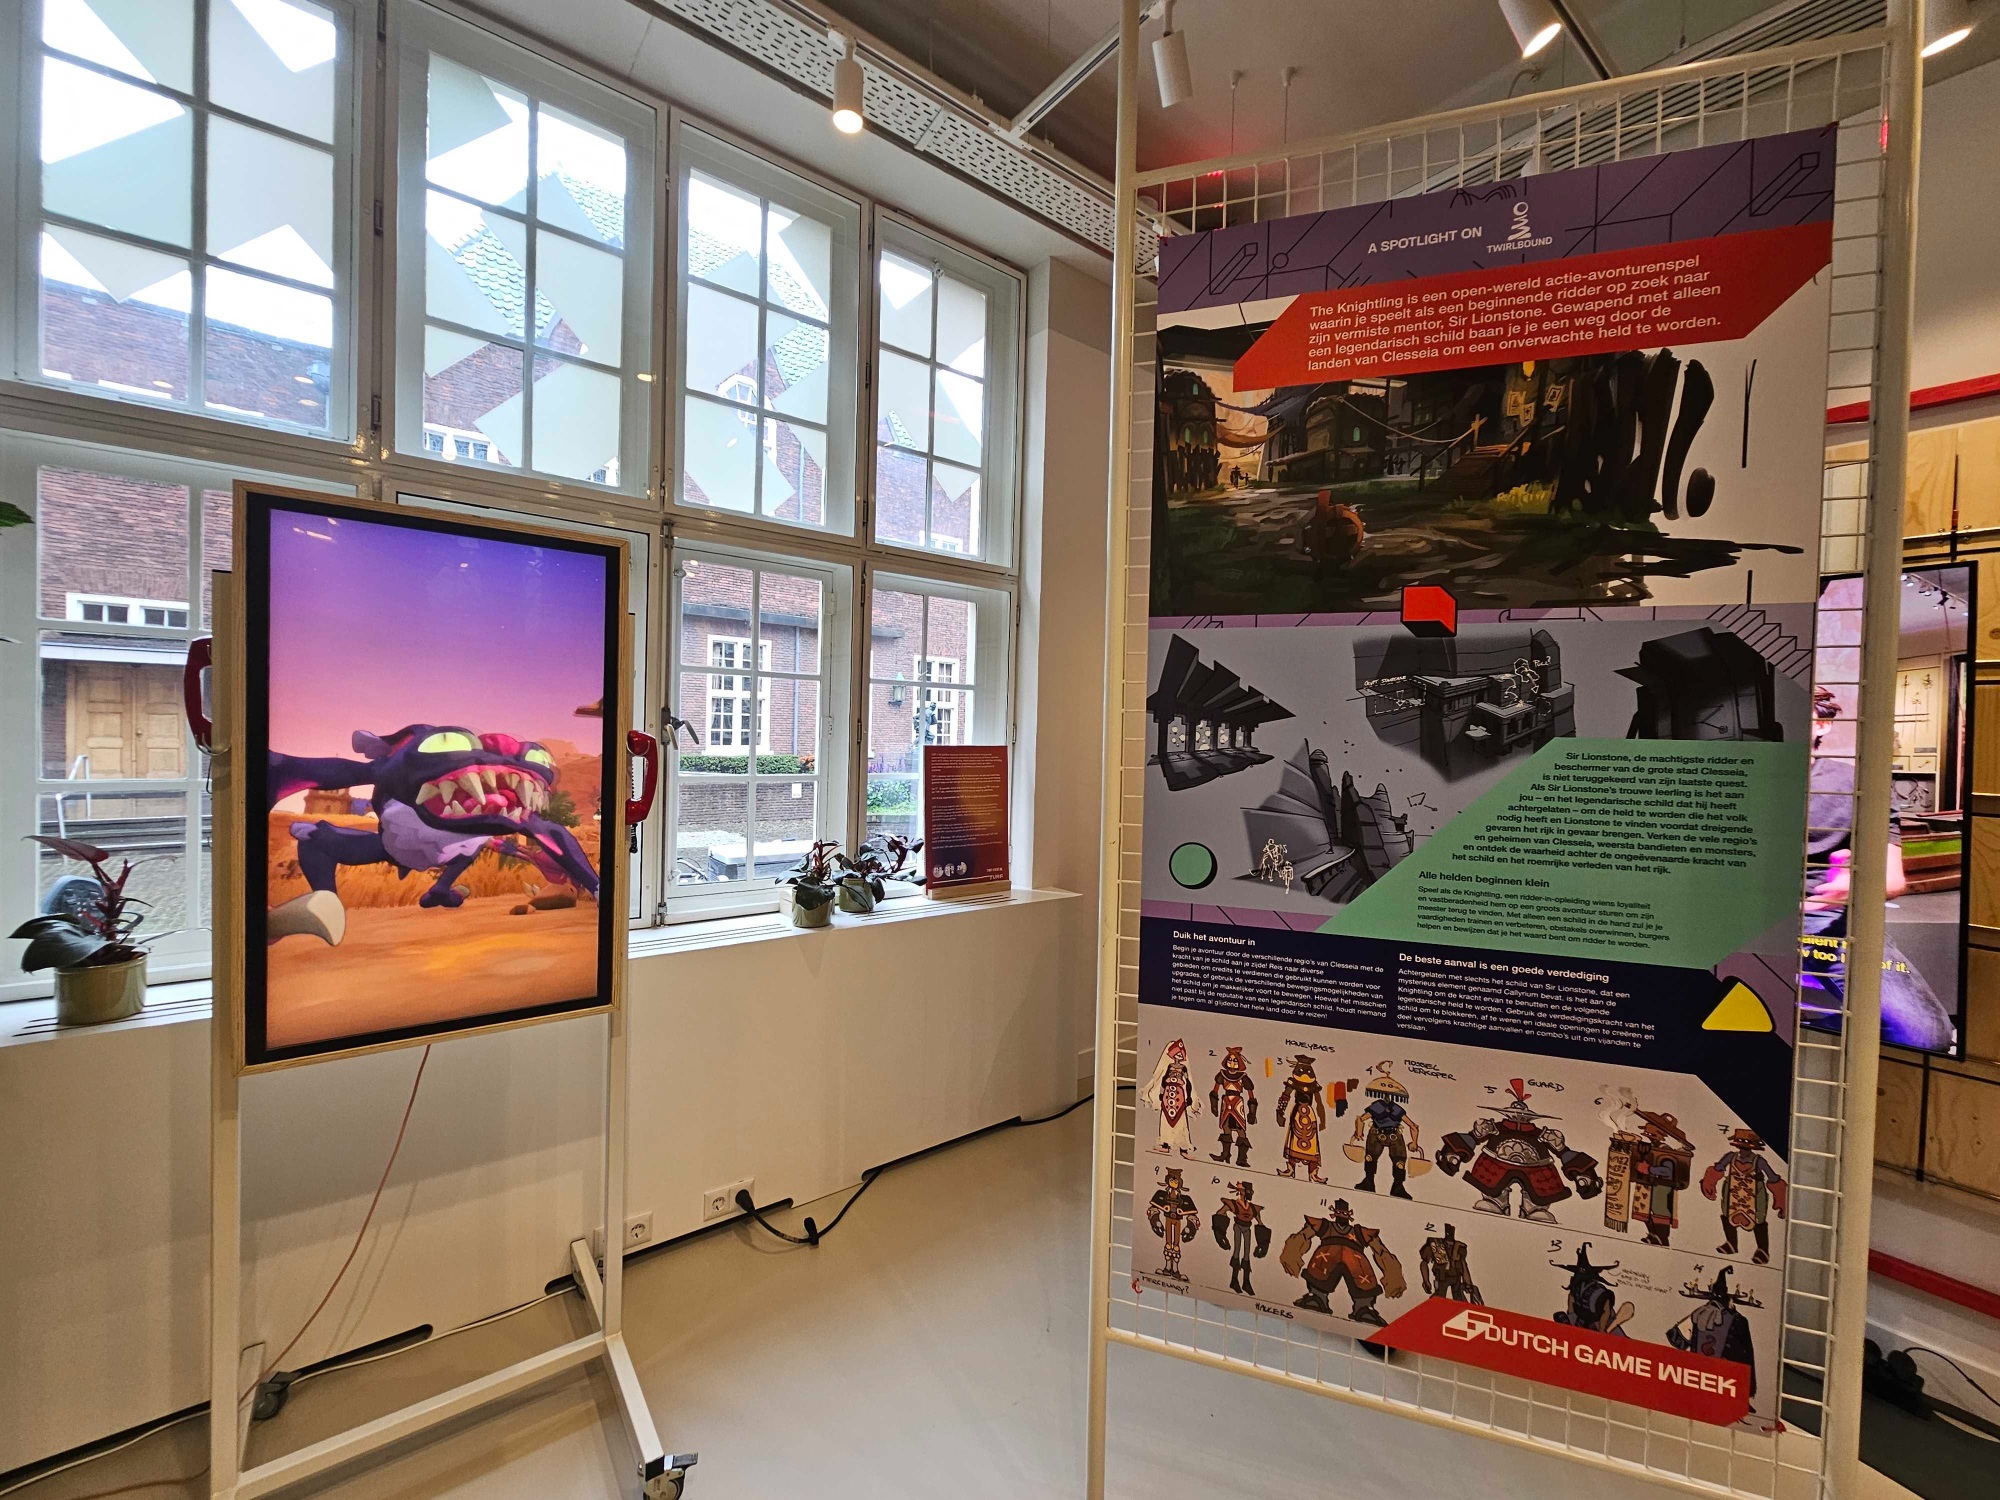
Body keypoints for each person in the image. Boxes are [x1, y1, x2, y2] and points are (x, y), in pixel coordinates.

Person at [1803, 687, 1956, 1052]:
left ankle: (1811, 1028)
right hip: (1741, 915)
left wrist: (1849, 888)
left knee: (1925, 1035)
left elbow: (1892, 879)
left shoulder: (1859, 784)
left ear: (1822, 724)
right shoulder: (1739, 777)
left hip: (1823, 920)